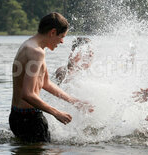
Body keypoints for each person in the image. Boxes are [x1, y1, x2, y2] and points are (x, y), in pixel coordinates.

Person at [10, 12, 94, 143]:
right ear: (52, 32)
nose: (61, 41)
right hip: (29, 119)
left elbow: (45, 82)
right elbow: (27, 94)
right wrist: (56, 113)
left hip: (18, 116)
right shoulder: (36, 52)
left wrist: (74, 101)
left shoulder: (32, 46)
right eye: (61, 36)